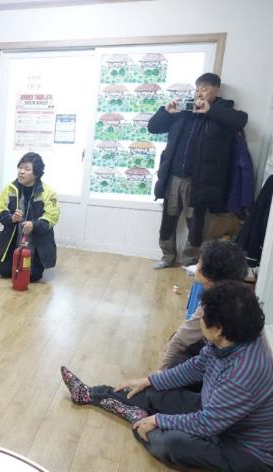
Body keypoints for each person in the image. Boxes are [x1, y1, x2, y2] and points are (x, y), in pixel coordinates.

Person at [61, 281, 273, 471]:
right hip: (213, 408)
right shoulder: (232, 337)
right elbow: (196, 366)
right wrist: (149, 380)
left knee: (173, 443)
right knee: (152, 391)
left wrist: (158, 420)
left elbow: (208, 424)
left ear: (218, 329)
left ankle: (138, 419)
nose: (200, 318)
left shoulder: (243, 372)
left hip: (242, 448)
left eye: (203, 315)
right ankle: (89, 394)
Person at [149, 73, 248, 269]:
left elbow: (240, 121)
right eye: (197, 89)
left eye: (204, 89)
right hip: (173, 175)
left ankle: (190, 261)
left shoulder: (223, 111)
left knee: (195, 223)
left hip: (199, 181)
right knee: (168, 218)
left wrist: (211, 111)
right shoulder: (184, 110)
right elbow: (153, 127)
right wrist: (166, 112)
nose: (199, 93)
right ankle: (167, 257)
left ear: (216, 90)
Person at [160, 239, 248, 369]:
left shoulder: (217, 304)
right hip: (220, 359)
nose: (196, 266)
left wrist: (161, 372)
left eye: (200, 262)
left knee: (176, 354)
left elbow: (181, 339)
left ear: (211, 273)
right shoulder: (236, 294)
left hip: (220, 367)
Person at [0, 152, 59, 282]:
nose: (21, 172)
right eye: (20, 167)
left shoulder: (48, 192)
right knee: (4, 272)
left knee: (33, 276)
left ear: (36, 174)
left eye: (27, 169)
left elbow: (52, 216)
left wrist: (34, 225)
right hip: (13, 238)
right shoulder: (10, 188)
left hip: (36, 240)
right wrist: (11, 218)